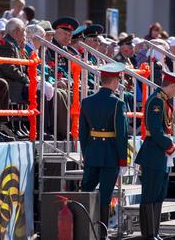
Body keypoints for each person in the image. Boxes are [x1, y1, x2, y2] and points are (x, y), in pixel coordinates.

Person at [135, 71, 175, 240]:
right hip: (154, 152)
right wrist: (170, 147)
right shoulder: (157, 101)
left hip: (159, 154)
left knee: (159, 195)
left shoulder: (162, 100)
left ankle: (155, 232)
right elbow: (156, 130)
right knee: (150, 195)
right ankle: (149, 234)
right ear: (172, 86)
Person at [79, 63, 128, 240]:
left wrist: (86, 153)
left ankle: (83, 230)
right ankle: (102, 233)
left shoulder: (86, 101)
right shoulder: (117, 103)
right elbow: (121, 134)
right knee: (105, 197)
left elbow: (83, 133)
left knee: (86, 191)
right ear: (114, 81)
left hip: (92, 152)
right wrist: (123, 160)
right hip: (110, 156)